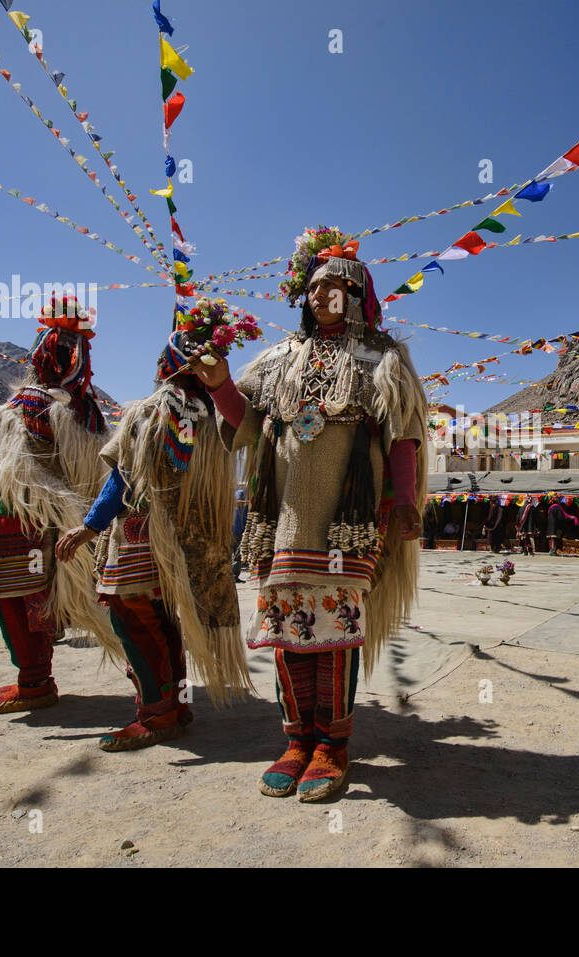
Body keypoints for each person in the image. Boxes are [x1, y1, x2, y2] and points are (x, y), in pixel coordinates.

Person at [192, 229, 426, 802]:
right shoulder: (278, 359)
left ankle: (333, 746)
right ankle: (296, 739)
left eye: (334, 287)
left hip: (348, 518)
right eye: (314, 288)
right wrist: (221, 384)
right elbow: (244, 421)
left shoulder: (382, 359)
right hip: (284, 517)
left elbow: (402, 435)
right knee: (289, 630)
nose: (320, 296)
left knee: (334, 631)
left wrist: (404, 503)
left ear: (357, 294)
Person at [57, 317, 253, 750]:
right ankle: (175, 705)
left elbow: (128, 476)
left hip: (143, 534)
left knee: (134, 619)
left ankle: (157, 714)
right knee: (164, 622)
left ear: (168, 361)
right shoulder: (209, 413)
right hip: (185, 536)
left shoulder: (157, 407)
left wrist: (90, 526)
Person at [0, 294, 115, 715]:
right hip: (54, 524)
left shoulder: (27, 405)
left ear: (41, 356)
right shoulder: (87, 412)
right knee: (36, 601)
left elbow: (12, 469)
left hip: (14, 524)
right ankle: (36, 679)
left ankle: (33, 682)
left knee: (14, 601)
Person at [231, 487, 249, 582]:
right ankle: (234, 576)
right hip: (237, 532)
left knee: (233, 553)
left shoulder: (233, 506)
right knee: (237, 554)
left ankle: (232, 575)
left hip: (232, 531)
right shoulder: (244, 506)